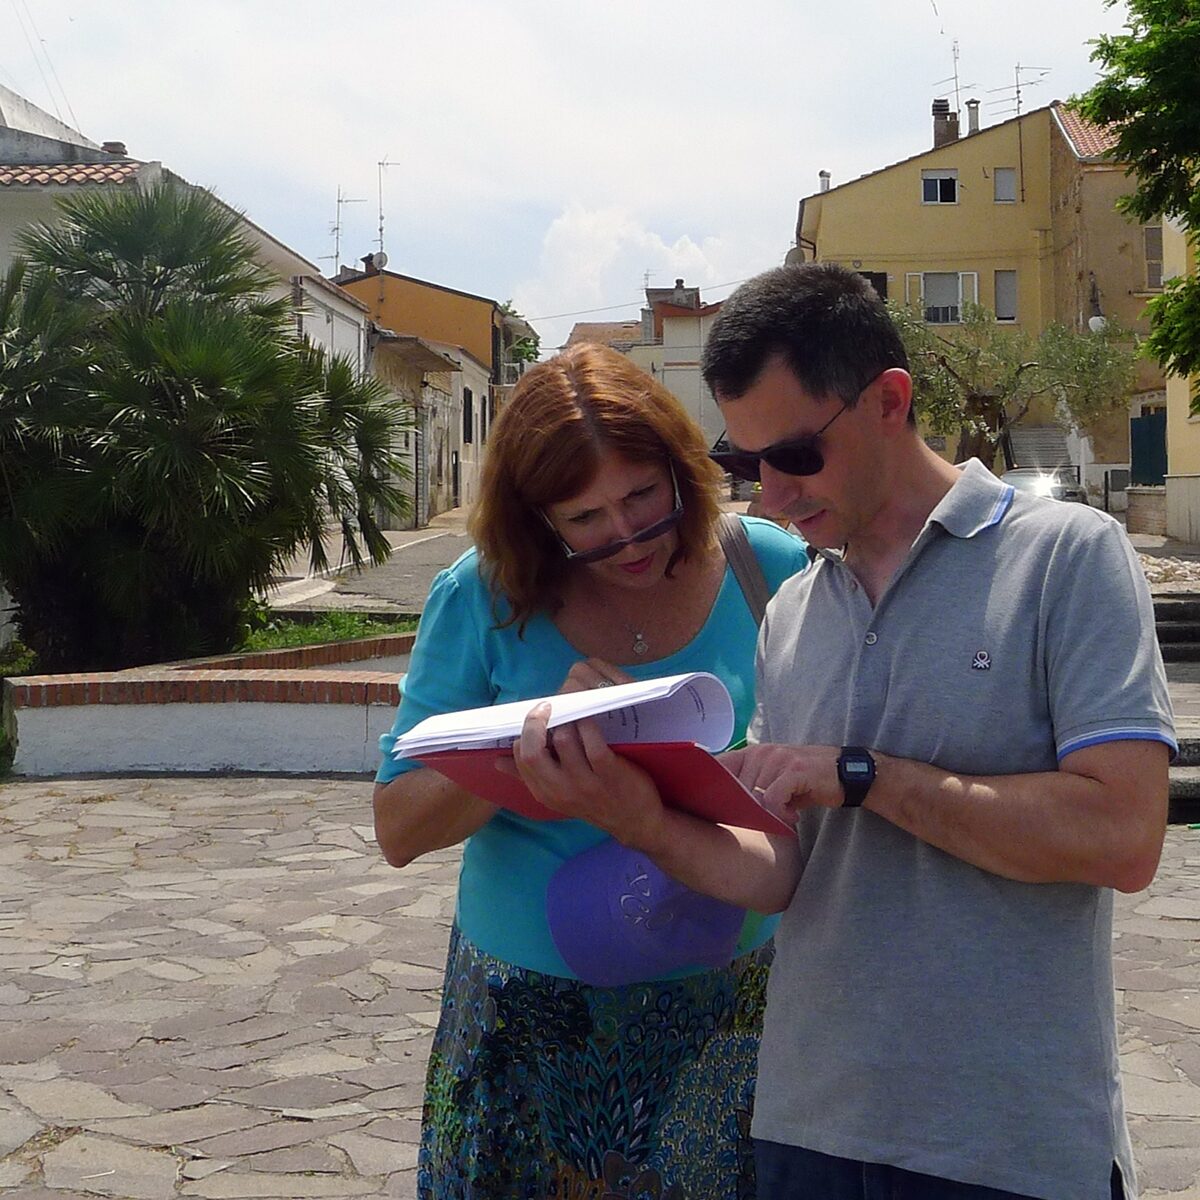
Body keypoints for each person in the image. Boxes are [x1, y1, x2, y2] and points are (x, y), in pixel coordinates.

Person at [511, 264, 1175, 1200]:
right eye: (744, 466)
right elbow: (783, 873)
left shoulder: (1069, 558)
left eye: (794, 456)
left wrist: (863, 776)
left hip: (1008, 1142)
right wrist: (638, 815)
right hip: (810, 1127)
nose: (771, 498)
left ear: (890, 401)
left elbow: (1124, 837)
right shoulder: (790, 612)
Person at [373, 341, 809, 1198]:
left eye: (643, 496)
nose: (627, 536)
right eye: (584, 519)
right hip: (528, 1029)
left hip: (729, 1017)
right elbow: (397, 827)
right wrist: (515, 748)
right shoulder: (484, 596)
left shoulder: (773, 571)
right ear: (537, 519)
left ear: (683, 469)